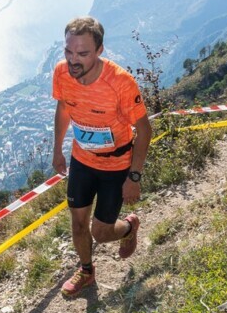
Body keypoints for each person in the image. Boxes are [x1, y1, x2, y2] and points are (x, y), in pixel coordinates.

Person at [52, 16, 152, 297]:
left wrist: (134, 177)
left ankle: (129, 226)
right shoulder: (61, 73)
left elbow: (145, 130)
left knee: (101, 232)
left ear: (99, 50)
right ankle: (86, 271)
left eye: (82, 53)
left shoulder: (120, 83)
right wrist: (57, 149)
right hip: (82, 160)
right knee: (78, 223)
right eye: (68, 51)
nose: (73, 60)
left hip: (116, 165)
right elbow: (63, 109)